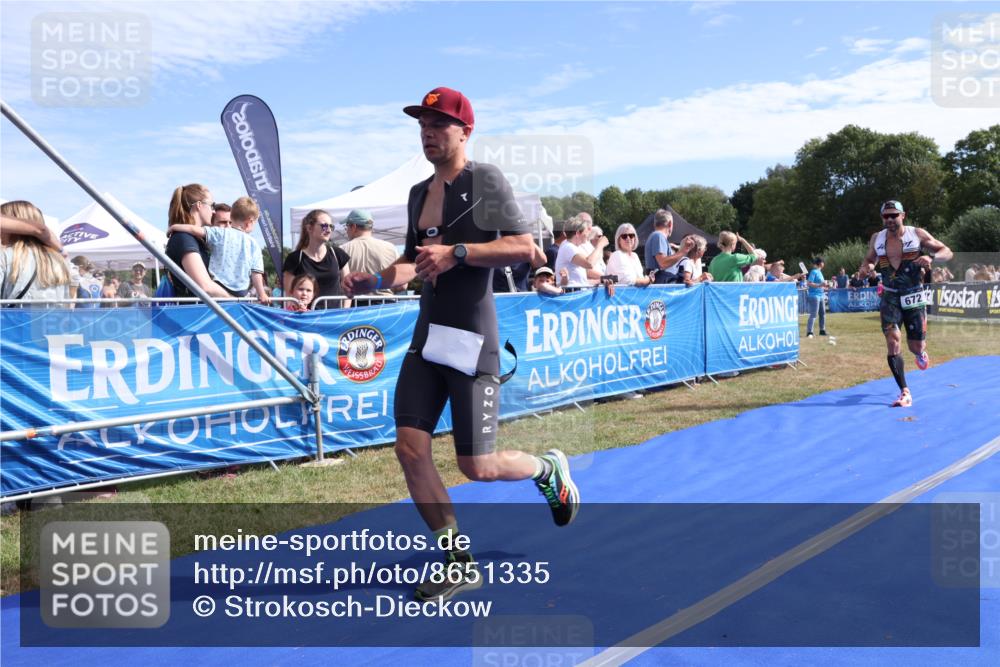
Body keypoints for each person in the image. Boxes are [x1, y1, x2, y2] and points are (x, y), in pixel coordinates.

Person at [343, 86, 579, 603]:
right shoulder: (416, 193)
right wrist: (374, 280)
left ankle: (547, 469)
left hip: (473, 338)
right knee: (410, 449)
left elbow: (524, 247)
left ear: (464, 131)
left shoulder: (484, 179)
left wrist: (458, 252)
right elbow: (412, 263)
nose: (427, 133)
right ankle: (458, 561)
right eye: (422, 125)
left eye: (438, 124)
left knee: (478, 466)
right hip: (428, 338)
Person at [858, 200, 952, 408]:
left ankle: (920, 353)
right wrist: (866, 268)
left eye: (894, 215)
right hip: (890, 295)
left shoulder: (916, 234)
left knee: (915, 346)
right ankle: (905, 391)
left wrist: (931, 258)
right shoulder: (877, 238)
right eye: (886, 216)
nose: (890, 219)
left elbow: (947, 250)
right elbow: (869, 259)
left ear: (903, 215)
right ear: (882, 218)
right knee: (893, 340)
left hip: (913, 294)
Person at [168, 196, 270, 304]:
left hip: (218, 285)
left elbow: (194, 230)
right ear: (249, 222)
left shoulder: (220, 233)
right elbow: (256, 273)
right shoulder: (254, 244)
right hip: (241, 291)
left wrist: (175, 227)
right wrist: (262, 293)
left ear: (232, 216)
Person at [0, 201, 73, 305]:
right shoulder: (60, 259)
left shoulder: (5, 256)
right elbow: (66, 301)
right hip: (54, 316)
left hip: (13, 316)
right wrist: (60, 250)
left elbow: (40, 229)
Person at [164, 184, 230, 300]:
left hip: (203, 309)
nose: (214, 211)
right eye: (212, 205)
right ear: (199, 205)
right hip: (197, 310)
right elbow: (205, 286)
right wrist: (234, 299)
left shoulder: (192, 238)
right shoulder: (183, 238)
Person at [283, 209, 351, 309]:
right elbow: (290, 295)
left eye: (331, 226)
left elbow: (349, 289)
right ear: (309, 228)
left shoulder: (338, 254)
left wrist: (345, 311)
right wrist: (299, 309)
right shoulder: (295, 258)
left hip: (334, 316)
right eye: (324, 226)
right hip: (306, 316)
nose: (329, 230)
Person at [339, 209, 399, 301]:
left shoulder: (342, 250)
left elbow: (338, 283)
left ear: (354, 226)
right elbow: (402, 286)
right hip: (387, 304)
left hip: (355, 304)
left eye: (347, 226)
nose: (346, 231)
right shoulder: (391, 248)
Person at [644, 209, 692, 283]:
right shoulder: (658, 236)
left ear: (655, 224)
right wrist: (683, 251)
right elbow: (663, 263)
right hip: (660, 285)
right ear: (670, 224)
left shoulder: (656, 236)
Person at [554, 216, 593, 287]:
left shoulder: (569, 245)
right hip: (572, 292)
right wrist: (600, 245)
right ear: (577, 233)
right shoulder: (568, 247)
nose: (587, 234)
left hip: (576, 291)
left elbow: (580, 281)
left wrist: (601, 280)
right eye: (586, 231)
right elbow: (589, 264)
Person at [804, 257, 828, 338]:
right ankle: (809, 332)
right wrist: (820, 285)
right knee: (814, 314)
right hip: (814, 295)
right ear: (820, 263)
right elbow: (809, 283)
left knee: (823, 313)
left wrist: (825, 286)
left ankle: (822, 330)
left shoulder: (819, 272)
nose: (824, 263)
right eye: (823, 262)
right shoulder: (814, 271)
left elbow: (820, 285)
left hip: (821, 295)